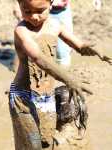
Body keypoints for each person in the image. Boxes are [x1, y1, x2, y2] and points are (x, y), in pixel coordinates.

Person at [9, 0, 112, 149]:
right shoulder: (21, 31)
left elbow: (78, 45)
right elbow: (38, 58)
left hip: (46, 93)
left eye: (40, 11)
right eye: (27, 11)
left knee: (47, 140)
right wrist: (69, 80)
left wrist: (92, 51)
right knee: (31, 143)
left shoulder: (55, 25)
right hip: (23, 96)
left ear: (51, 4)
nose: (34, 17)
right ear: (19, 7)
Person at [13, 0, 73, 66]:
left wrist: (82, 47)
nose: (34, 17)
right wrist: (18, 4)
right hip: (29, 5)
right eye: (27, 12)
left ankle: (63, 67)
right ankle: (20, 65)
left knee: (62, 51)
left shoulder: (56, 24)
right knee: (26, 43)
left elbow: (74, 42)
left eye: (39, 12)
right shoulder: (21, 27)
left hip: (60, 8)